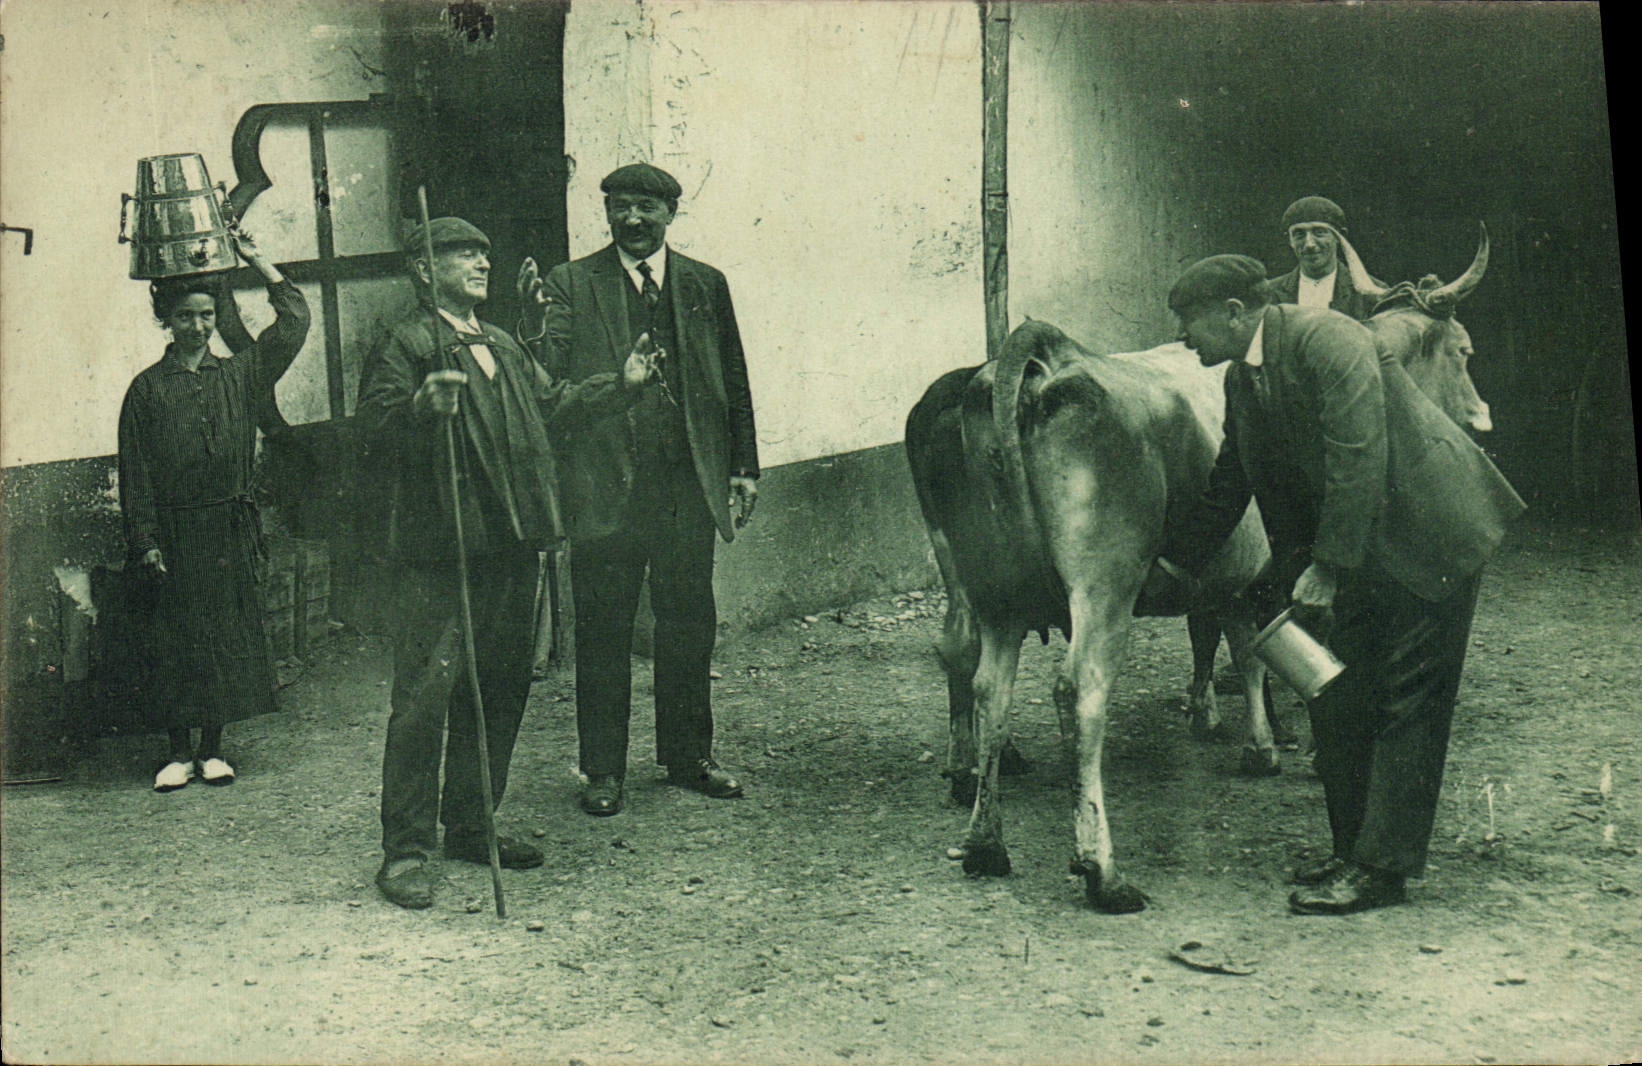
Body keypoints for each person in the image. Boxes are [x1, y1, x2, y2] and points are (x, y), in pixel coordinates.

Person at [1156, 254, 1523, 915]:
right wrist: (1173, 562)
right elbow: (1229, 482)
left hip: (1426, 536)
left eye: (1190, 322)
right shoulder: (1245, 378)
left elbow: (1360, 456)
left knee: (1404, 706)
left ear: (1235, 313)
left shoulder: (1329, 339)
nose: (1184, 338)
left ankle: (1380, 873)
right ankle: (1350, 851)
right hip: (1358, 550)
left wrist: (1325, 568)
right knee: (1337, 698)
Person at [356, 217, 655, 909]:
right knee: (424, 700)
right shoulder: (407, 342)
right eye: (466, 253)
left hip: (513, 544)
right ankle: (404, 852)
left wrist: (625, 383)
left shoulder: (500, 345)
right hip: (444, 550)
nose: (483, 262)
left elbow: (556, 405)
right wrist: (418, 408)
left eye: (485, 251)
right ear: (425, 269)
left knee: (497, 691)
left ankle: (468, 823)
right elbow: (369, 434)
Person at [516, 162, 759, 818]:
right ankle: (603, 772)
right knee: (604, 632)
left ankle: (688, 758)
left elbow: (732, 380)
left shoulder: (707, 285)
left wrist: (743, 467)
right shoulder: (570, 283)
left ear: (670, 215)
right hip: (605, 490)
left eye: (646, 209)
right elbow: (549, 382)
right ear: (607, 213)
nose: (632, 219)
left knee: (687, 625)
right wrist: (531, 325)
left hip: (686, 489)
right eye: (620, 206)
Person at [118, 231, 310, 792]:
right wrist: (145, 539)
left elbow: (293, 324)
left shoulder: (240, 375)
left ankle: (213, 748)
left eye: (206, 315)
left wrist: (257, 259)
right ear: (167, 320)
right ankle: (176, 752)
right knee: (174, 637)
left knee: (223, 633)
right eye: (186, 316)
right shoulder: (146, 390)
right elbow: (136, 473)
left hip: (227, 526)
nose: (198, 327)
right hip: (172, 531)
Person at [1266, 196, 1379, 322]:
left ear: (1339, 237)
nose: (1309, 244)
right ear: (1290, 240)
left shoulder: (1372, 293)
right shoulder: (1267, 294)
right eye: (1299, 234)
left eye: (1319, 232)